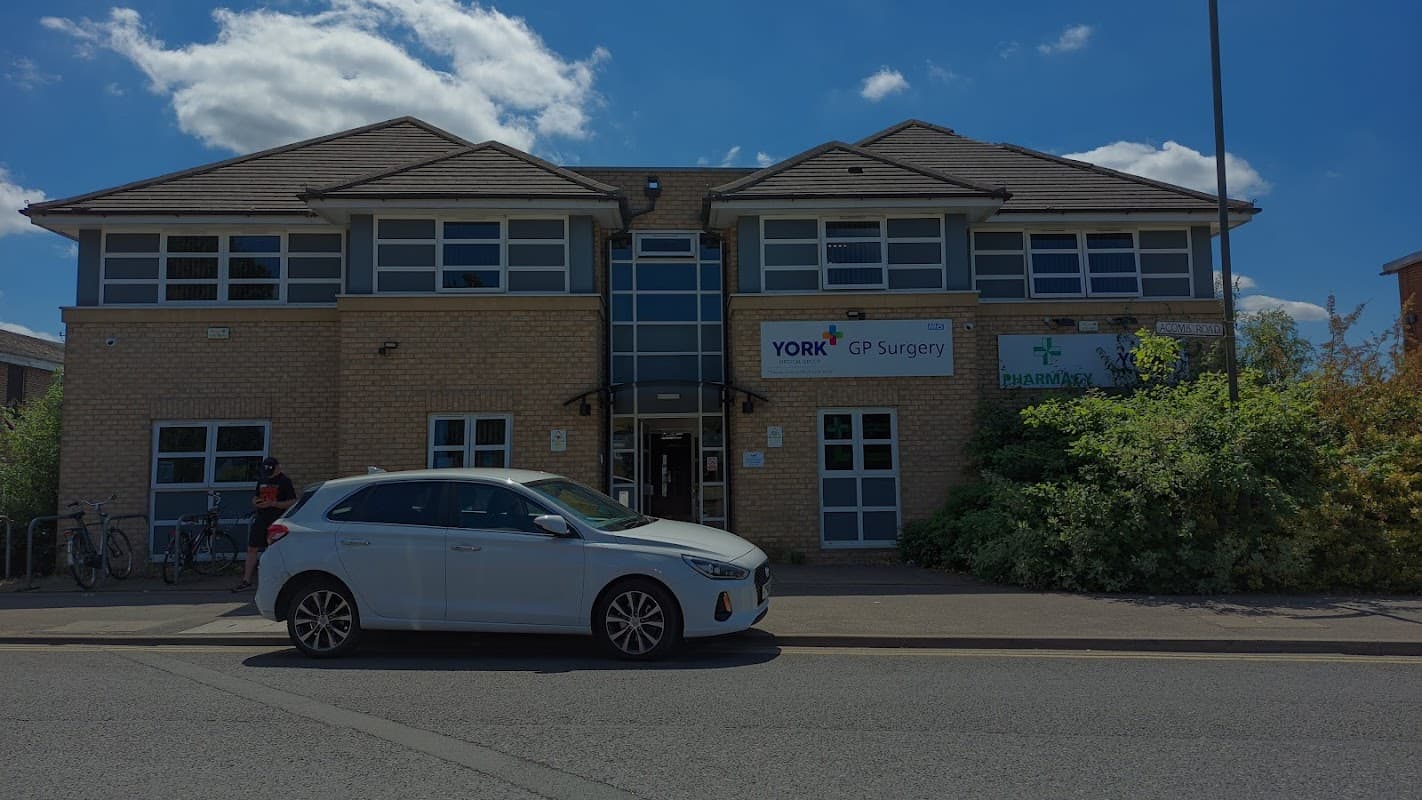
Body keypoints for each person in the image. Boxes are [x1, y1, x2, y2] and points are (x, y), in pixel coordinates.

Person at [234, 456, 296, 592]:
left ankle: (276, 581)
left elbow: (292, 502)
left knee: (274, 550)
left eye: (271, 471)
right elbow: (255, 496)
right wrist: (256, 502)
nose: (269, 474)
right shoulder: (262, 479)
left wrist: (274, 504)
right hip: (261, 518)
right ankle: (246, 580)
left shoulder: (285, 481)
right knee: (252, 548)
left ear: (278, 467)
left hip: (277, 519)